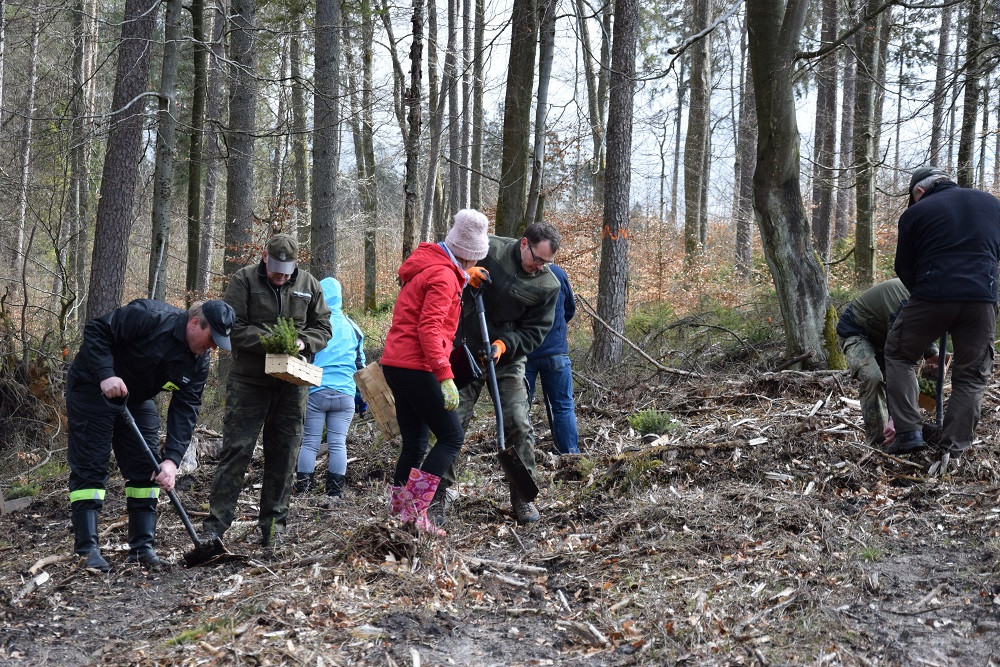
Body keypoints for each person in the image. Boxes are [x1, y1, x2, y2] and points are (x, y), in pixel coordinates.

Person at [67, 299, 235, 570]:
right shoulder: (150, 317)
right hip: (92, 385)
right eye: (212, 338)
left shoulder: (199, 361)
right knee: (91, 464)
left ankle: (142, 548)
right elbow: (96, 331)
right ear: (194, 323)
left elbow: (186, 407)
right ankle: (87, 550)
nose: (213, 347)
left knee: (148, 467)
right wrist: (106, 374)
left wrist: (172, 460)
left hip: (135, 396)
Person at [202, 234, 332, 548]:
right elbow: (231, 327)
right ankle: (215, 528)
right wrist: (270, 341)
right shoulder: (243, 280)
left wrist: (302, 342)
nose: (281, 277)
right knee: (237, 450)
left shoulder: (310, 285)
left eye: (287, 273)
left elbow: (324, 327)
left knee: (285, 454)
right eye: (276, 272)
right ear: (264, 258)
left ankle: (274, 530)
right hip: (249, 382)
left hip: (292, 385)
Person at [431, 222, 562, 527]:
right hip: (465, 348)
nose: (540, 267)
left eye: (547, 263)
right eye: (537, 259)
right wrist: (463, 275)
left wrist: (505, 345)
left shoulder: (548, 285)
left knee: (517, 420)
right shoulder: (488, 249)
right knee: (452, 419)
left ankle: (522, 495)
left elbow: (536, 332)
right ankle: (439, 493)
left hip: (507, 359)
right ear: (524, 243)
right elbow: (442, 259)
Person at [379, 209, 491, 536]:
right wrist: (445, 375)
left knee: (414, 441)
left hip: (396, 363)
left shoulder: (430, 266)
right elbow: (429, 330)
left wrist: (463, 279)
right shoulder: (443, 277)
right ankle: (414, 511)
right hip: (417, 364)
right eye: (473, 260)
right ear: (468, 255)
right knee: (451, 437)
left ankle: (398, 513)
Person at [884, 166, 1000, 468]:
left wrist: (928, 300)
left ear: (919, 192)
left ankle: (909, 433)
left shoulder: (915, 213)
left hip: (932, 296)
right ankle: (953, 451)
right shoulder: (992, 204)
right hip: (982, 300)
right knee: (972, 377)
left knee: (899, 355)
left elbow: (904, 268)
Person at [836, 278, 939, 450]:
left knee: (905, 380)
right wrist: (897, 418)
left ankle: (906, 433)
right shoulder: (903, 301)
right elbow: (901, 359)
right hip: (857, 332)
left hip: (885, 336)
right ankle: (879, 443)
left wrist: (933, 353)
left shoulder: (930, 297)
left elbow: (921, 328)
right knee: (873, 377)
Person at [294, 277, 366, 502]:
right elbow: (360, 365)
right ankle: (334, 493)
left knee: (310, 442)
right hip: (345, 394)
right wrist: (359, 396)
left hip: (317, 391)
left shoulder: (314, 327)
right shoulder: (354, 328)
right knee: (338, 443)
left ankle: (303, 492)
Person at [525, 263, 580, 455]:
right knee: (563, 407)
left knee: (521, 409)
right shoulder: (557, 272)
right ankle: (571, 455)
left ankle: (524, 458)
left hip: (525, 353)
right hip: (556, 352)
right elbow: (570, 309)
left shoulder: (519, 274)